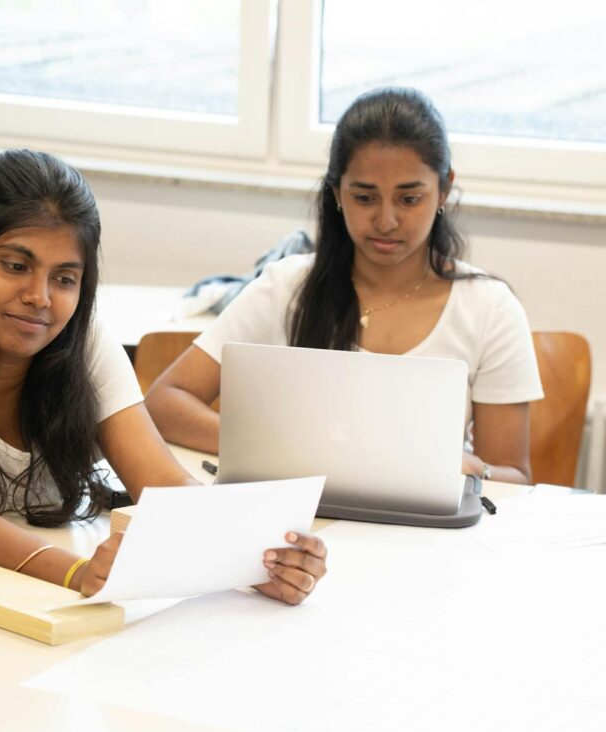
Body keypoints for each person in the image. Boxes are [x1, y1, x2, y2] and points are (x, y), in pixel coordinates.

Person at [0, 149, 327, 603]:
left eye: (65, 279)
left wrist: (257, 559)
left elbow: (163, 483)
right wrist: (77, 573)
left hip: (38, 603)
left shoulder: (83, 341)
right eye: (16, 266)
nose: (39, 297)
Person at [145, 87, 543, 484]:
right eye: (365, 197)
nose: (386, 221)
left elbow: (514, 475)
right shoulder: (287, 287)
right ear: (337, 192)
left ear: (443, 189)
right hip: (298, 525)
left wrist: (469, 469)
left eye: (409, 199)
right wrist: (285, 450)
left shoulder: (489, 307)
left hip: (426, 530)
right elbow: (165, 403)